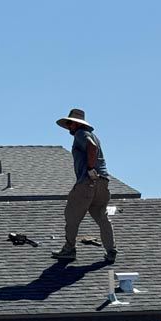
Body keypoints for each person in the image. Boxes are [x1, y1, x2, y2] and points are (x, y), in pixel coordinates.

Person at [50, 108, 118, 263]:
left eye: (70, 123)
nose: (68, 126)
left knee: (72, 215)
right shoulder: (93, 135)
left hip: (88, 182)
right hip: (103, 182)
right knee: (101, 216)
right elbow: (94, 147)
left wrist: (89, 169)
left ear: (76, 124)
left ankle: (69, 249)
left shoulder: (81, 134)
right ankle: (111, 250)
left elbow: (91, 147)